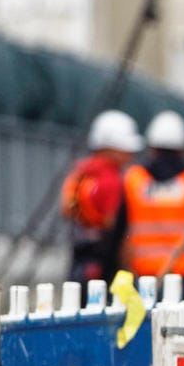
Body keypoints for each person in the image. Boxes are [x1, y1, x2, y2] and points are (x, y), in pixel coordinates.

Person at [61, 109, 142, 284]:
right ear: (110, 148)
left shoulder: (81, 172)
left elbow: (66, 210)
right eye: (126, 149)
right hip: (106, 267)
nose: (131, 155)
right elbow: (112, 225)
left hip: (80, 261)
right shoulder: (110, 179)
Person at [122, 110, 184, 278]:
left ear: (152, 148)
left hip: (145, 276)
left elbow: (120, 230)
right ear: (183, 149)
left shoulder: (134, 180)